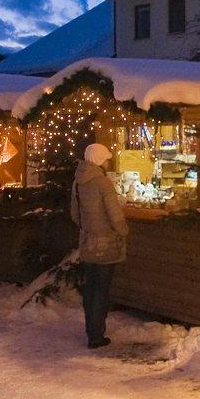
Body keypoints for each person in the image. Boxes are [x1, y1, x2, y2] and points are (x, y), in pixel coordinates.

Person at [70, 142, 129, 349]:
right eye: (105, 158)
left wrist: (88, 229)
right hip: (105, 244)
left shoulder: (78, 181)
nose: (107, 162)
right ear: (99, 159)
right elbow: (115, 214)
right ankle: (96, 335)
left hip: (88, 243)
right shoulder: (103, 183)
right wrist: (123, 230)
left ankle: (90, 330)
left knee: (91, 288)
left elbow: (74, 214)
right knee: (102, 290)